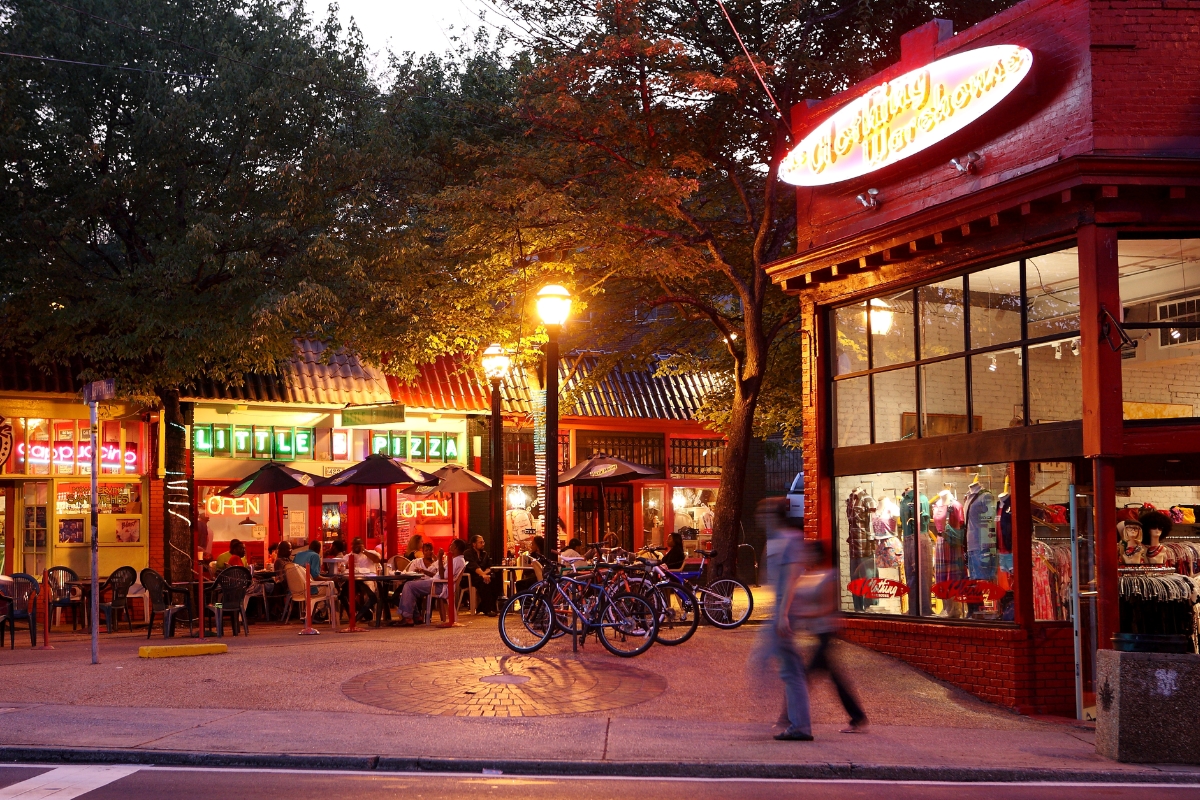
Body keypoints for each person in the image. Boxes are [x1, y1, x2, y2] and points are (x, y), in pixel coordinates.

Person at [753, 497, 813, 742]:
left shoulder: (789, 540)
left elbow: (790, 579)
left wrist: (784, 615)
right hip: (782, 612)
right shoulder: (779, 540)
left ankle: (799, 725)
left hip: (785, 613)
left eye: (765, 513)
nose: (761, 517)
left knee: (784, 668)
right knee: (789, 668)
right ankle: (794, 719)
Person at [793, 540, 868, 734]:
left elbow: (828, 607)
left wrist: (802, 615)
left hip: (826, 634)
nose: (806, 557)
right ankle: (858, 718)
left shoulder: (829, 577)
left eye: (810, 554)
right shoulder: (806, 576)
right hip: (817, 635)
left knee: (804, 677)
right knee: (834, 679)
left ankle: (790, 719)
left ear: (818, 556)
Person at [396, 539, 468, 626]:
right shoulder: (458, 559)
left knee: (408, 585)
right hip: (438, 583)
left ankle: (407, 618)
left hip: (439, 586)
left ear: (455, 547)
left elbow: (443, 576)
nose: (449, 546)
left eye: (451, 545)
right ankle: (416, 617)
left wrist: (439, 559)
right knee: (411, 586)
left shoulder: (456, 560)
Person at [342, 536, 379, 621]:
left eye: (358, 544)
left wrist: (364, 551)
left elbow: (377, 559)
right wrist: (344, 566)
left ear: (362, 545)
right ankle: (362, 613)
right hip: (354, 581)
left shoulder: (370, 553)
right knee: (343, 593)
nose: (356, 546)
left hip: (368, 580)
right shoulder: (348, 556)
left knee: (370, 594)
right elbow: (341, 567)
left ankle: (361, 613)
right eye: (354, 544)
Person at [464, 535, 500, 616]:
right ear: (474, 544)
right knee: (484, 582)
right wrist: (483, 575)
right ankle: (487, 609)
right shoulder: (468, 553)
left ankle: (483, 607)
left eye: (483, 542)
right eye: (480, 542)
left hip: (482, 576)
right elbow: (474, 567)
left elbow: (489, 567)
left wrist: (485, 574)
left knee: (496, 581)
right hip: (471, 577)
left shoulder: (484, 554)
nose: (483, 544)